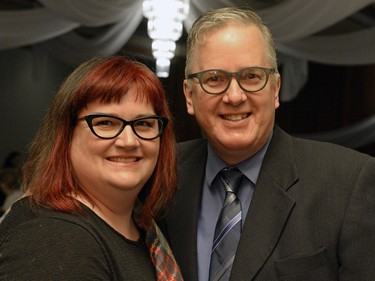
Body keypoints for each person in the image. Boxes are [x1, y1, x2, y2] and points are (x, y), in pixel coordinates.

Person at [160, 7, 375, 281]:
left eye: (251, 76)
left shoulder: (350, 182)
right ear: (190, 96)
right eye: (214, 79)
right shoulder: (161, 172)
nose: (234, 96)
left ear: (275, 89)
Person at [0, 56, 183, 280]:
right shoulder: (54, 239)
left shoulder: (143, 229)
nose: (128, 141)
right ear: (66, 135)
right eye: (105, 123)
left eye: (143, 124)